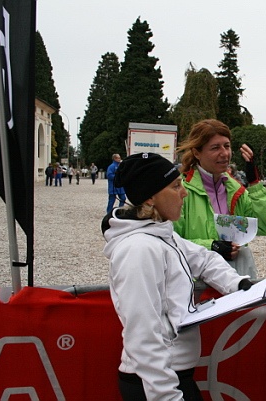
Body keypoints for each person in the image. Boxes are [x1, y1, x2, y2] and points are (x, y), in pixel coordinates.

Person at [101, 152, 253, 401]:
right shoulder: (139, 249)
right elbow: (142, 334)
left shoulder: (163, 233)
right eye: (175, 186)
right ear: (150, 197)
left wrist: (239, 284)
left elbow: (204, 258)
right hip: (156, 384)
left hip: (173, 376)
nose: (184, 193)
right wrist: (166, 395)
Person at [173, 119, 266, 279]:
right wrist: (211, 246)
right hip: (195, 285)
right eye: (215, 148)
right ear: (196, 153)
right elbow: (171, 241)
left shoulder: (236, 191)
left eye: (227, 146)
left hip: (234, 282)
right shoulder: (180, 191)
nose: (224, 153)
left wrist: (254, 184)